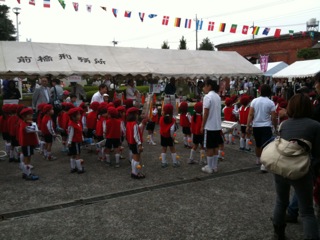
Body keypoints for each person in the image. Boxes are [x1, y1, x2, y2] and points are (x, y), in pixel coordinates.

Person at [272, 93, 320, 240]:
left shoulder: (284, 124)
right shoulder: (315, 126)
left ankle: (278, 233)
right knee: (307, 211)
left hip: (281, 168)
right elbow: (318, 153)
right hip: (301, 170)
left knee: (281, 201)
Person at [246, 84, 277, 171]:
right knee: (266, 145)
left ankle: (258, 159)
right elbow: (274, 117)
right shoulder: (271, 102)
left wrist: (248, 125)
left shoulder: (254, 101)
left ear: (260, 91)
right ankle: (264, 164)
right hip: (266, 126)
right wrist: (275, 126)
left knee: (258, 144)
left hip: (256, 126)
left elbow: (250, 114)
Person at [200, 78, 223, 174]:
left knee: (209, 147)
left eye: (205, 86)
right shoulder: (218, 96)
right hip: (217, 126)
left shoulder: (207, 97)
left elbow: (206, 112)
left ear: (209, 86)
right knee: (215, 147)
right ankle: (214, 166)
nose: (203, 88)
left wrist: (202, 125)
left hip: (209, 126)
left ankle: (209, 167)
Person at [19, 108, 40, 181]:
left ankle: (26, 173)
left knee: (28, 158)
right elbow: (34, 129)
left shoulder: (25, 123)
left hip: (28, 143)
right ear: (24, 117)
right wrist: (34, 124)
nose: (31, 117)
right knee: (27, 159)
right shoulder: (24, 124)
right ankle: (28, 174)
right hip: (27, 143)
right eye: (29, 115)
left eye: (31, 115)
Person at [126, 107, 145, 179]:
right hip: (136, 143)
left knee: (134, 158)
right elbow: (136, 135)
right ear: (134, 115)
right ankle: (136, 173)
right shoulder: (135, 124)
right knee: (137, 158)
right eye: (137, 114)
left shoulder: (128, 123)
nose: (138, 116)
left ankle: (133, 172)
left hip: (131, 142)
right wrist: (139, 144)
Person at [159, 103, 179, 168]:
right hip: (169, 137)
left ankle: (163, 162)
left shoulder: (161, 119)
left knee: (164, 149)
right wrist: (172, 136)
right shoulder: (172, 120)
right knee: (172, 149)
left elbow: (161, 126)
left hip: (163, 136)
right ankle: (175, 162)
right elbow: (172, 129)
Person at [67, 107, 85, 174]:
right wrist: (69, 142)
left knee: (73, 155)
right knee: (77, 154)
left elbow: (80, 132)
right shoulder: (72, 125)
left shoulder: (77, 123)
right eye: (78, 115)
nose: (80, 116)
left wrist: (82, 138)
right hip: (75, 142)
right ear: (73, 117)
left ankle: (73, 167)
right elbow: (70, 134)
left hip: (76, 141)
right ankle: (79, 169)